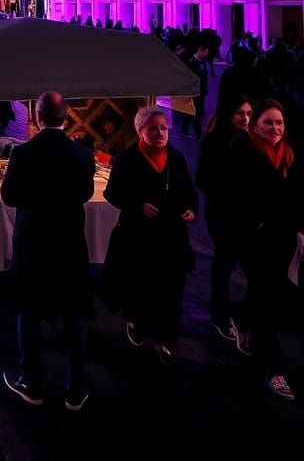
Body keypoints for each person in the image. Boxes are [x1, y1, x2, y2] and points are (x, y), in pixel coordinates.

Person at [0, 91, 94, 411]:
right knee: (73, 312)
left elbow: (10, 197)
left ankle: (33, 382)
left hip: (34, 242)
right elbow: (86, 193)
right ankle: (75, 388)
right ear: (65, 117)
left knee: (28, 309)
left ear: (37, 117)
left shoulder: (23, 153)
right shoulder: (82, 154)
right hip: (69, 242)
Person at [101, 107, 197, 365]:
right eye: (153, 128)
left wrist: (191, 209)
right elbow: (112, 193)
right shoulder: (127, 160)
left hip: (171, 236)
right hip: (139, 237)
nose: (160, 133)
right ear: (140, 130)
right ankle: (136, 321)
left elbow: (189, 191)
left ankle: (166, 341)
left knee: (172, 290)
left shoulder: (176, 157)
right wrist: (137, 205)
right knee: (141, 286)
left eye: (164, 128)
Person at [228, 99, 302, 401]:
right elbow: (234, 197)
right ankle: (271, 370)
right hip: (253, 239)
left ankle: (241, 317)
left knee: (268, 292)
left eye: (279, 122)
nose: (275, 128)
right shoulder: (241, 151)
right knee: (267, 298)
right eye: (268, 122)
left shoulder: (289, 154)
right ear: (255, 124)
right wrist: (255, 222)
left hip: (283, 237)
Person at [195, 94, 252, 342]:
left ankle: (241, 314)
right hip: (222, 213)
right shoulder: (215, 140)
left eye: (249, 113)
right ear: (230, 114)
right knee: (224, 262)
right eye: (241, 113)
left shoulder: (252, 139)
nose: (246, 118)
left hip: (248, 214)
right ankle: (219, 314)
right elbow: (202, 179)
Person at [184, 44, 209, 137]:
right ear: (200, 51)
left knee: (192, 111)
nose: (206, 54)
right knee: (196, 112)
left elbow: (204, 75)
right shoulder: (192, 62)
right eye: (205, 52)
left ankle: (185, 130)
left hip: (200, 90)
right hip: (194, 91)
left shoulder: (201, 61)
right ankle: (198, 133)